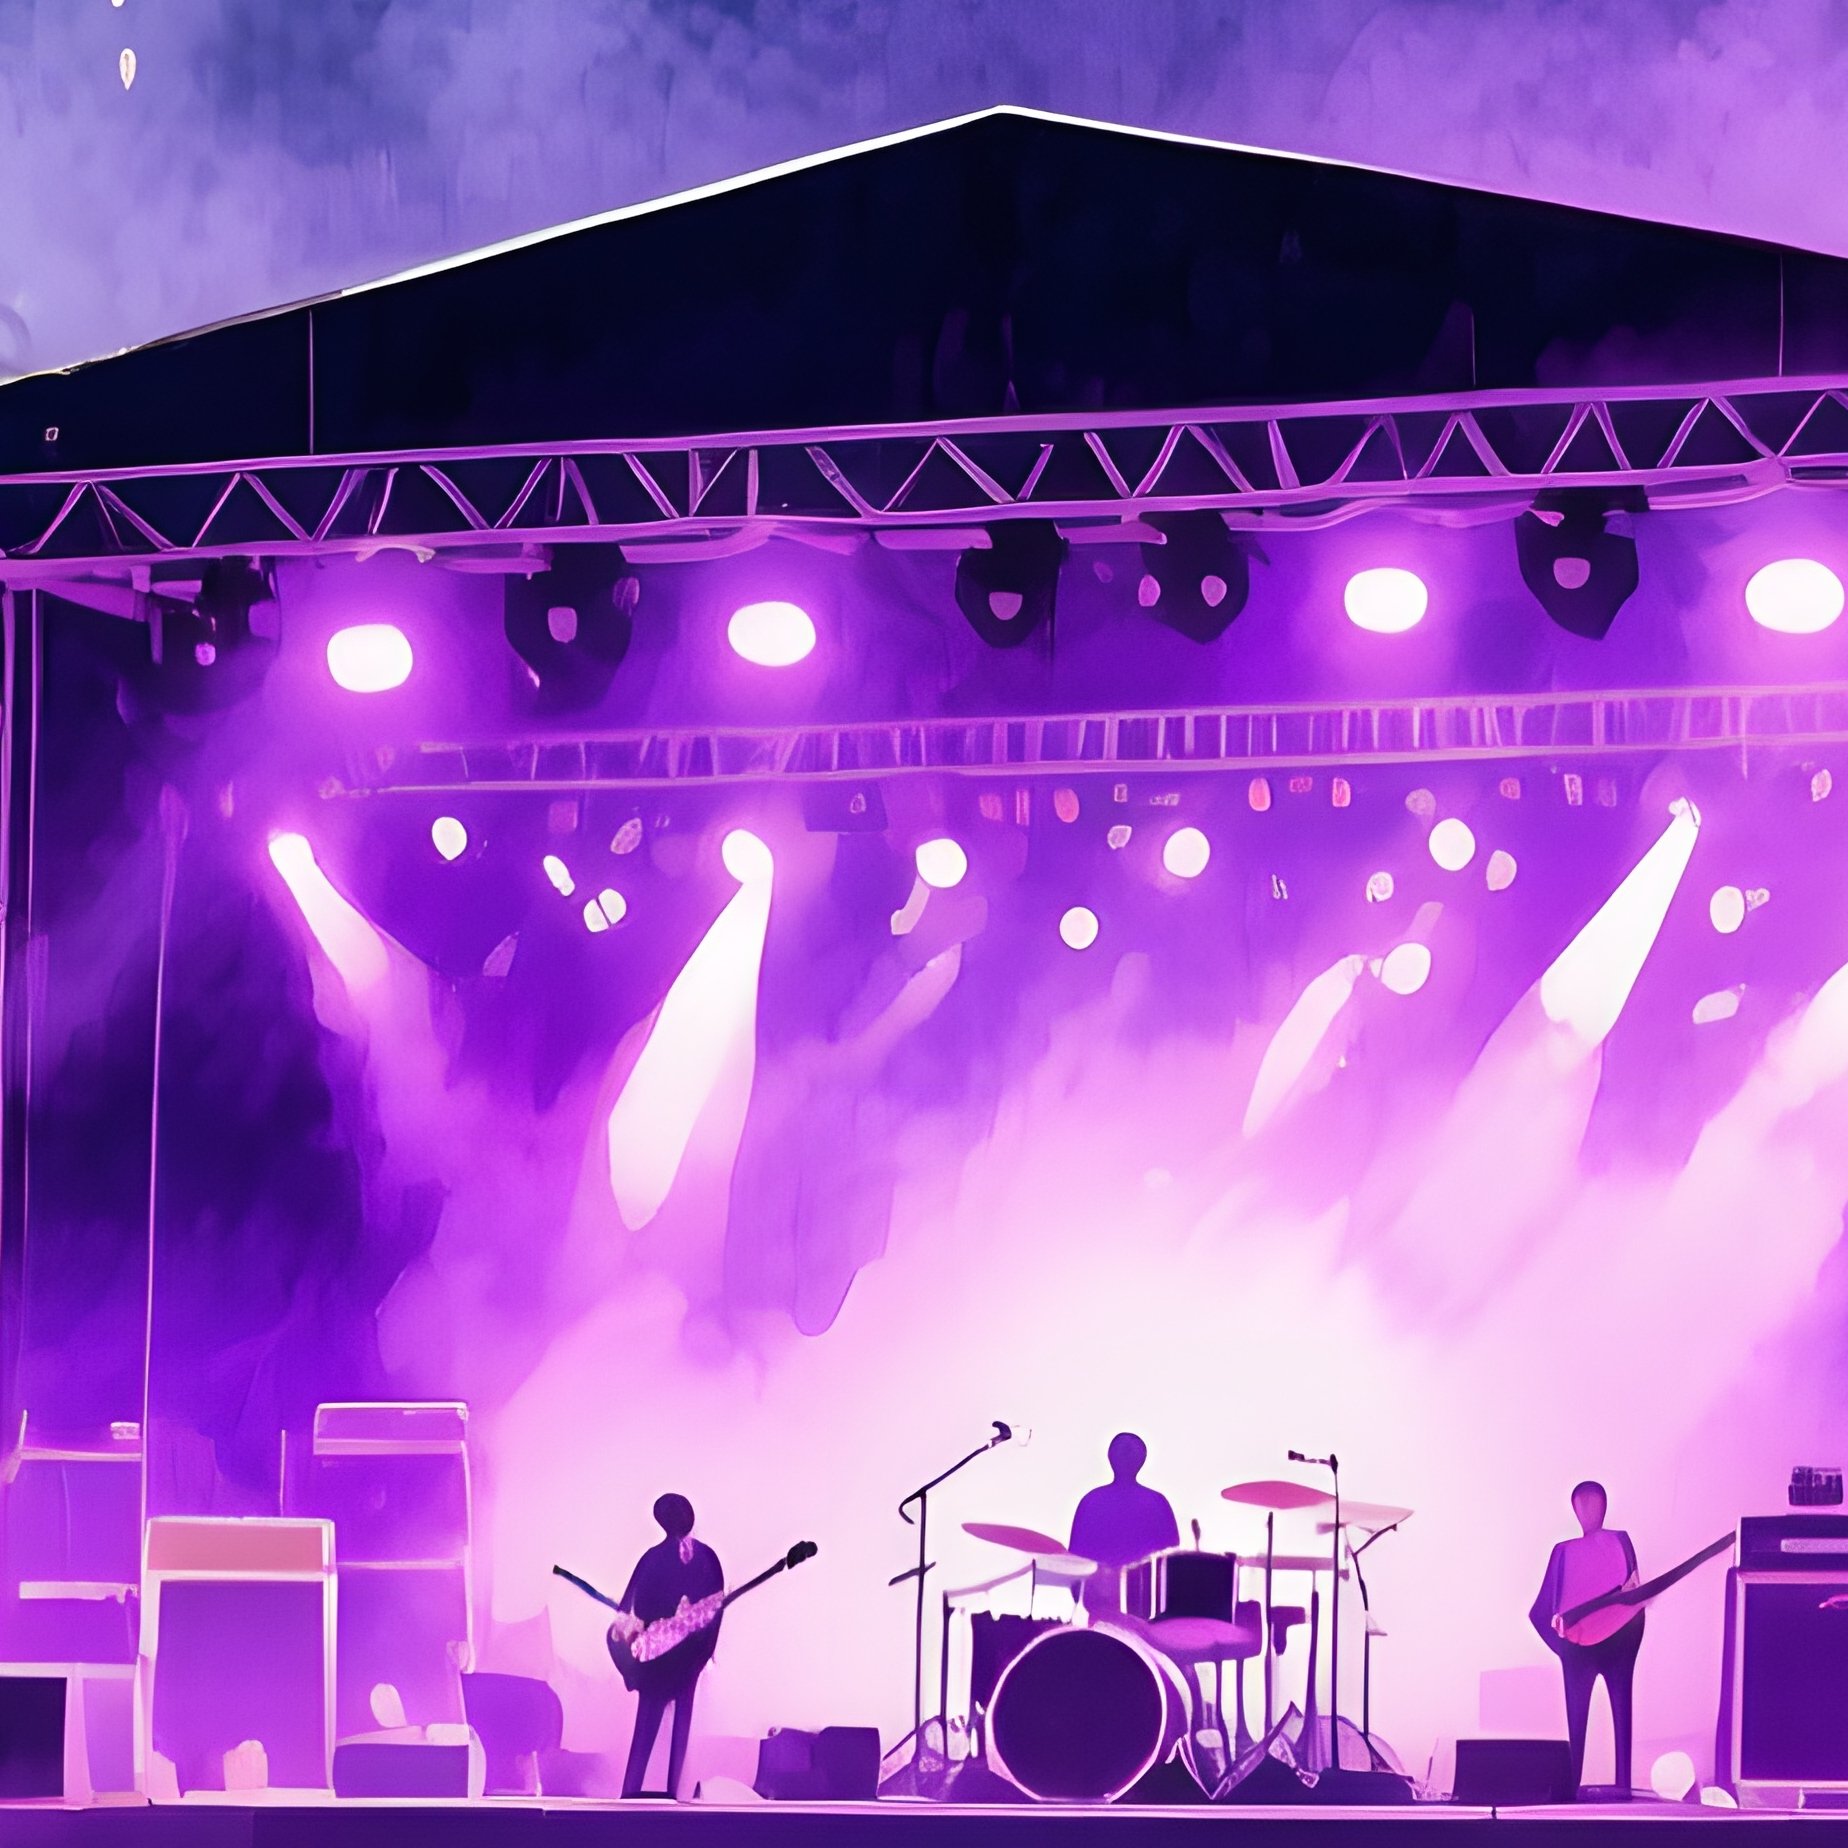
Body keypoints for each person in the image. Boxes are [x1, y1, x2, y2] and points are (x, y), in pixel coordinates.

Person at [1528, 1480, 1642, 1798]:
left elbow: (1634, 1592)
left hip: (1621, 1641)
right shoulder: (1563, 1551)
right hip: (1577, 1647)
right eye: (1583, 1504)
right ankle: (1571, 1788)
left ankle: (1624, 1787)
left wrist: (1630, 1634)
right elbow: (1542, 1610)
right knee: (1575, 1724)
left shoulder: (1620, 1540)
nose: (1590, 1511)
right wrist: (1563, 1645)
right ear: (1575, 1510)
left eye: (1596, 1503)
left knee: (1622, 1713)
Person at [618, 1494, 724, 1799]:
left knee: (666, 1727)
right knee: (653, 1725)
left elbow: (712, 1612)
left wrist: (700, 1652)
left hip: (682, 1657)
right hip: (662, 1657)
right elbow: (628, 1611)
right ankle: (641, 1793)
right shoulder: (659, 1559)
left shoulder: (699, 1558)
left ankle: (664, 1795)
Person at [1069, 1432, 1180, 1613]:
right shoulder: (1155, 1502)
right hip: (1119, 1597)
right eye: (1123, 1451)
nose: (1126, 1456)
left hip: (1137, 1597)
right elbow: (1076, 1558)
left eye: (1129, 1451)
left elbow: (1170, 1556)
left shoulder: (1093, 1500)